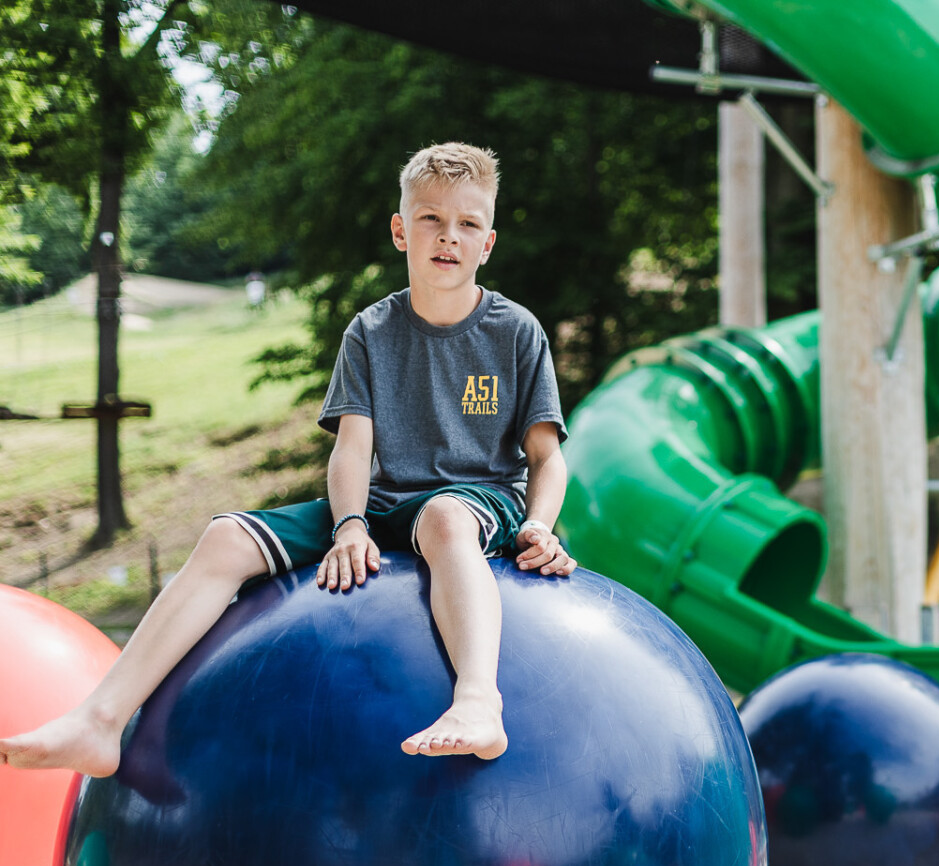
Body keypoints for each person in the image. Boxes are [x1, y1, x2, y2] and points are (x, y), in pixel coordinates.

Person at [0, 142, 573, 776]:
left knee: (443, 516)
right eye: (431, 218)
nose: (448, 236)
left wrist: (538, 525)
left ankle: (478, 703)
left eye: (467, 223)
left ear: (487, 244)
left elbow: (546, 458)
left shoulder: (515, 331)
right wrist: (349, 524)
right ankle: (100, 721)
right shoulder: (371, 332)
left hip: (476, 504)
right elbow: (352, 448)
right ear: (399, 230)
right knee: (224, 537)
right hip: (385, 505)